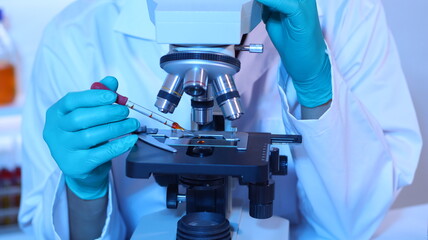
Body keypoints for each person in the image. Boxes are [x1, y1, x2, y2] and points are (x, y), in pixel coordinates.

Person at [19, 0, 422, 239]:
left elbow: (353, 226)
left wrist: (316, 87)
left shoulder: (345, 12)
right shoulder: (75, 35)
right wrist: (84, 190)